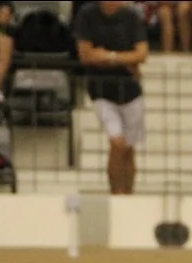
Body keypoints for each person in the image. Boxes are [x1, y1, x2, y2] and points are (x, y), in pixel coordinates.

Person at [74, 0, 149, 195]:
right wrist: (126, 59)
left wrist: (109, 56)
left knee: (130, 148)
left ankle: (129, 192)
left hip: (130, 89)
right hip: (100, 89)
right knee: (117, 142)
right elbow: (86, 55)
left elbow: (141, 54)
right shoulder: (87, 15)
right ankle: (116, 192)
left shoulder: (132, 16)